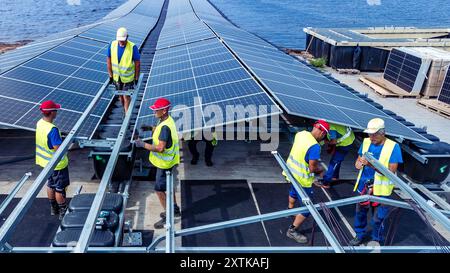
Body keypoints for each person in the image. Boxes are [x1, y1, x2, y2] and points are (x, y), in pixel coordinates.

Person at [349, 118, 403, 246]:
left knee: (378, 219)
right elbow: (358, 159)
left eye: (374, 134)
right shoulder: (366, 142)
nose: (371, 137)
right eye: (369, 134)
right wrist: (358, 164)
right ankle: (359, 234)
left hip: (381, 191)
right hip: (364, 186)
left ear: (382, 132)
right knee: (360, 213)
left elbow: (391, 172)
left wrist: (371, 165)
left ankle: (376, 239)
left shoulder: (393, 147)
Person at [135, 98, 181, 229]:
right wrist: (150, 128)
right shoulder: (166, 120)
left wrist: (142, 144)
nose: (154, 112)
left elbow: (160, 148)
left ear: (164, 110)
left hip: (163, 165)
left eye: (156, 110)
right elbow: (160, 130)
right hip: (169, 161)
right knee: (169, 186)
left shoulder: (165, 127)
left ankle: (169, 217)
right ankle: (175, 209)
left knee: (159, 191)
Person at [283, 120, 330, 244]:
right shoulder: (315, 147)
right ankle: (292, 230)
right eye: (324, 135)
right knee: (308, 208)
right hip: (303, 180)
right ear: (321, 132)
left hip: (291, 174)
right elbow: (312, 168)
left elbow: (301, 151)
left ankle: (289, 210)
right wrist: (320, 172)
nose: (323, 138)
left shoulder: (301, 134)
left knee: (293, 192)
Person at [35, 100, 70, 220]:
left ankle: (53, 208)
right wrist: (68, 144)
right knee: (59, 189)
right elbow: (58, 149)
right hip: (57, 165)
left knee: (50, 184)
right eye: (55, 110)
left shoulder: (39, 123)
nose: (57, 111)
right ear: (51, 113)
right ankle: (63, 210)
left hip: (45, 163)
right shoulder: (52, 129)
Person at [107, 27, 140, 115]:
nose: (121, 42)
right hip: (117, 78)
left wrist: (136, 78)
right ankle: (125, 110)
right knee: (120, 97)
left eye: (123, 40)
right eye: (120, 40)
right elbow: (108, 60)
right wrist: (110, 76)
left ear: (127, 37)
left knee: (126, 97)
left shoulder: (132, 47)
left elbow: (137, 63)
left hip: (128, 78)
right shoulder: (112, 45)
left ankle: (126, 117)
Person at [320, 123, 355, 188]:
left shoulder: (331, 128)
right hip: (346, 137)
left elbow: (334, 141)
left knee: (334, 162)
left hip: (345, 143)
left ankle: (326, 182)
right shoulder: (332, 121)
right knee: (337, 160)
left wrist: (323, 142)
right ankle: (335, 176)